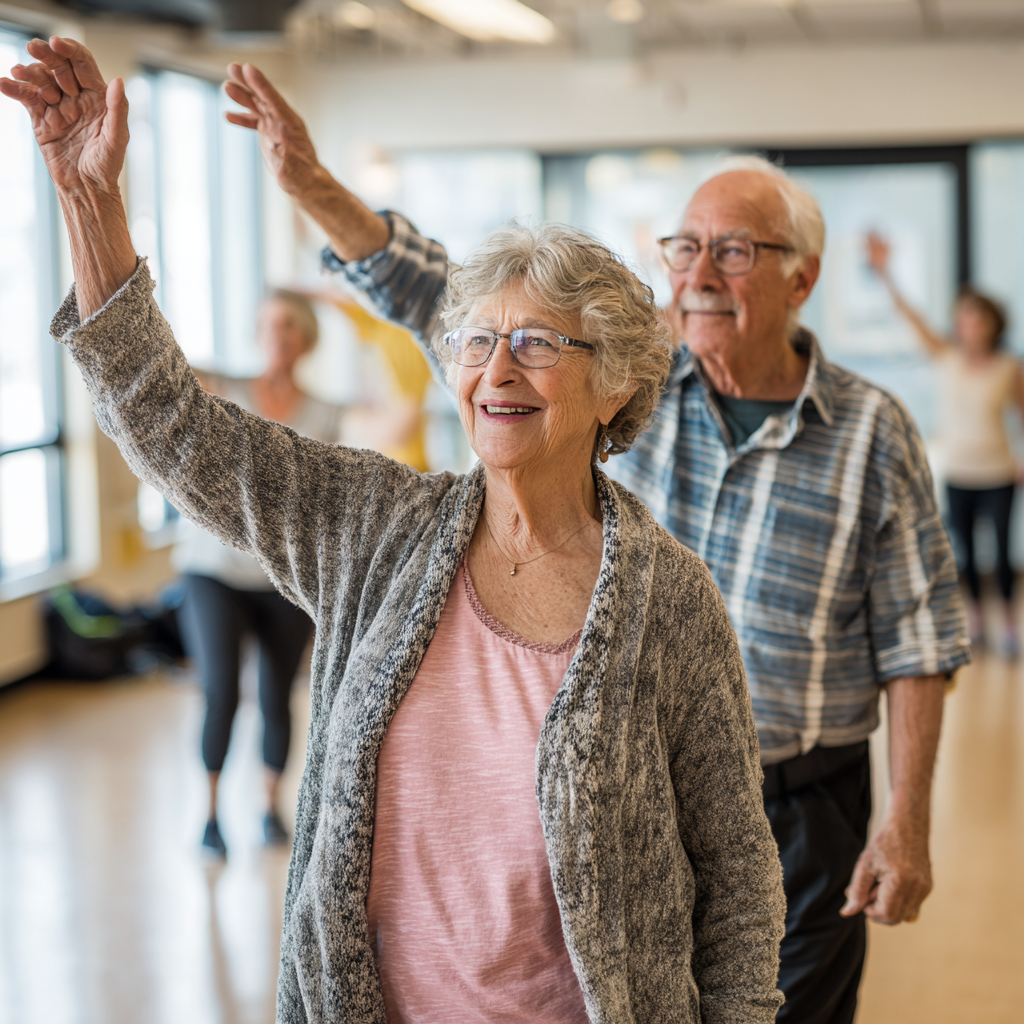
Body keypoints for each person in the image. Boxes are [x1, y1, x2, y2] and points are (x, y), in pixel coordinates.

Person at [4, 38, 788, 1024]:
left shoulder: (668, 599)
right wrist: (91, 205)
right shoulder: (378, 530)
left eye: (538, 343)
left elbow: (736, 864)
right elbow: (175, 430)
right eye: (476, 341)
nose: (495, 371)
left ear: (615, 385)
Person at [214, 62, 972, 1022]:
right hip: (627, 799)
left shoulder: (872, 429)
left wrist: (905, 819)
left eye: (734, 252)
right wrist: (315, 189)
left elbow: (917, 635)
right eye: (685, 246)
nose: (697, 274)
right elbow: (450, 302)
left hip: (804, 802)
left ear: (802, 277)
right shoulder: (613, 376)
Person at [173, 289, 343, 857]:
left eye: (290, 325)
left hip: (284, 577)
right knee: (220, 688)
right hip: (212, 570)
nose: (279, 335)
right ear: (256, 332)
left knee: (277, 695)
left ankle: (269, 807)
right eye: (269, 324)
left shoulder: (324, 413)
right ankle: (208, 815)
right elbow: (163, 362)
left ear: (306, 338)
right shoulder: (226, 389)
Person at [867, 232, 1024, 656]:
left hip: (999, 472)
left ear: (993, 324)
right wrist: (885, 272)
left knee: (1002, 552)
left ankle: (1010, 623)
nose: (969, 326)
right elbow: (910, 315)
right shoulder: (947, 357)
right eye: (964, 318)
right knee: (967, 554)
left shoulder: (1010, 367)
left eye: (978, 319)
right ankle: (975, 619)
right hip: (959, 472)